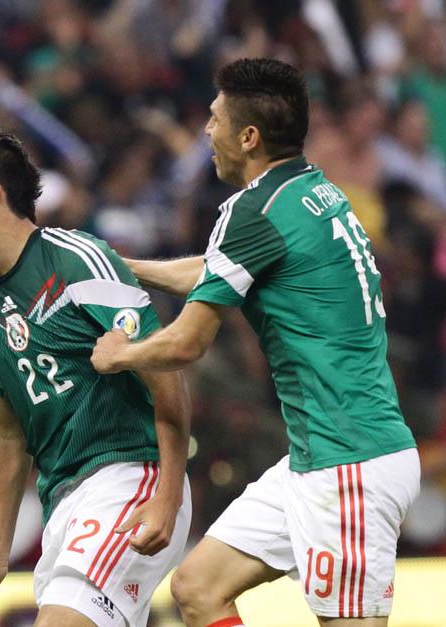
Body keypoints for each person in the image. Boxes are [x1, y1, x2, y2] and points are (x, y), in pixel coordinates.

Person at [91, 58, 419, 627]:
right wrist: (120, 266)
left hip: (347, 463)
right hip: (322, 456)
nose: (205, 131)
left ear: (248, 136)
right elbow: (219, 272)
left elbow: (187, 344)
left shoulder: (252, 209)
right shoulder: (311, 192)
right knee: (197, 588)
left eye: (215, 119)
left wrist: (122, 356)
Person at [0, 124, 192, 626]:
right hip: (62, 501)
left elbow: (166, 374)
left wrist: (168, 497)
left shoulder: (78, 259)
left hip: (132, 477)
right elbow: (6, 427)